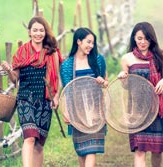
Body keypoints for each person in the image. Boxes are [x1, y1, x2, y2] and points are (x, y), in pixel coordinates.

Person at [0, 16, 62, 167]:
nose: (38, 34)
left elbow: (57, 77)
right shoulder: (22, 52)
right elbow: (15, 79)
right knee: (29, 138)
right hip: (25, 99)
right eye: (35, 30)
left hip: (45, 101)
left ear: (45, 32)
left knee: (39, 144)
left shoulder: (51, 53)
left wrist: (56, 97)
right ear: (29, 32)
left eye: (41, 30)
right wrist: (9, 70)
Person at [116, 22, 163, 167]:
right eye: (139, 38)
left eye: (146, 39)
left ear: (152, 39)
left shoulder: (161, 56)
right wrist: (123, 77)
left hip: (155, 109)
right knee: (140, 150)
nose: (143, 42)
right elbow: (127, 86)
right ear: (134, 38)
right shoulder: (127, 58)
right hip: (137, 110)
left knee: (157, 151)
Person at [59, 27, 108, 167]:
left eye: (93, 43)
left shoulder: (98, 60)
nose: (91, 46)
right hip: (78, 113)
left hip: (95, 112)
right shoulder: (67, 65)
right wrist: (66, 112)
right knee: (81, 151)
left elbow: (106, 83)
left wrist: (102, 82)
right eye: (88, 42)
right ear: (78, 41)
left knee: (91, 150)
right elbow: (66, 91)